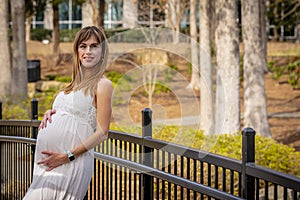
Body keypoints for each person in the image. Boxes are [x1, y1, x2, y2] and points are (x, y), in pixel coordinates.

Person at [23, 26, 113, 200]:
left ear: (103, 51)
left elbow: (102, 132)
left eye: (94, 46)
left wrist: (67, 157)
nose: (88, 51)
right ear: (77, 50)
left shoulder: (103, 84)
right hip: (48, 165)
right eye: (83, 46)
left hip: (71, 163)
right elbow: (72, 112)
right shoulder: (73, 85)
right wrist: (53, 113)